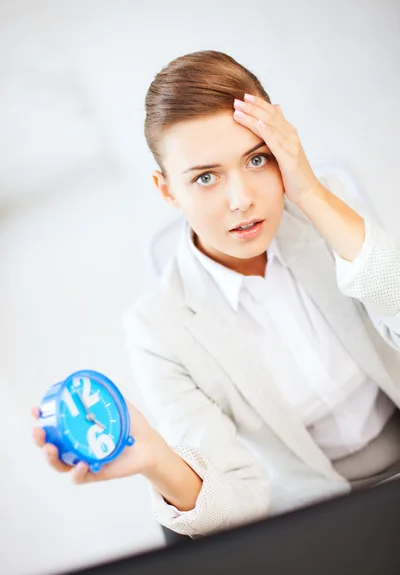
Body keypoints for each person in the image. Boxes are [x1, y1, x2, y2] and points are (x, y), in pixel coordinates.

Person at [32, 50, 400, 541]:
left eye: (257, 158)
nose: (242, 198)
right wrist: (157, 460)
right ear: (167, 192)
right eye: (205, 177)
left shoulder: (325, 212)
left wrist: (309, 192)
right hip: (315, 520)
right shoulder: (156, 330)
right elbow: (238, 506)